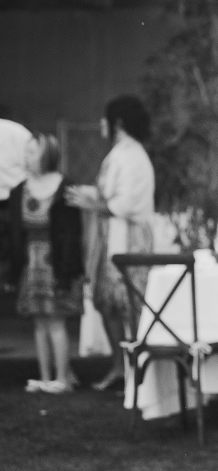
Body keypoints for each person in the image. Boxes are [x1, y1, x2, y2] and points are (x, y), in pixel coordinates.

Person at [66, 95, 155, 391]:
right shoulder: (119, 153)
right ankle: (120, 366)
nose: (101, 124)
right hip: (111, 236)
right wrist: (88, 195)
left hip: (128, 239)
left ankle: (139, 369)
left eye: (105, 119)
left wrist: (91, 203)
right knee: (106, 303)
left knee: (129, 303)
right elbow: (110, 194)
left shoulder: (132, 156)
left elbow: (125, 205)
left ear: (117, 123)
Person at [8, 133, 85, 394]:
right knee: (39, 322)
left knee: (56, 321)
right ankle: (45, 377)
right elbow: (15, 233)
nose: (27, 156)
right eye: (26, 151)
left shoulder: (65, 188)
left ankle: (63, 378)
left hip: (56, 264)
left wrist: (69, 270)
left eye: (33, 151)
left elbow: (73, 234)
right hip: (31, 265)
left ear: (47, 154)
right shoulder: (19, 190)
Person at [0, 106, 31, 293]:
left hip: (15, 196)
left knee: (14, 243)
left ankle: (12, 283)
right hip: (14, 194)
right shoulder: (17, 131)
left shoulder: (16, 132)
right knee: (14, 243)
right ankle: (12, 283)